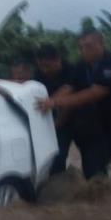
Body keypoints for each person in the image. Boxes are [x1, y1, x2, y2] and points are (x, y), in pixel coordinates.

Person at [36, 30, 111, 189]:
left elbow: (93, 93)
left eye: (88, 46)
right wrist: (45, 102)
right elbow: (70, 87)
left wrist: (55, 102)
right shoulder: (81, 66)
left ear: (101, 44)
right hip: (104, 127)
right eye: (81, 47)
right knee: (94, 173)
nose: (84, 50)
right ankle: (102, 208)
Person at [33, 43, 73, 175]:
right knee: (54, 159)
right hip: (51, 117)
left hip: (77, 118)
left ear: (57, 60)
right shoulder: (38, 73)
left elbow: (68, 93)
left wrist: (56, 125)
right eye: (41, 66)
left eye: (47, 66)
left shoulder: (71, 70)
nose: (44, 70)